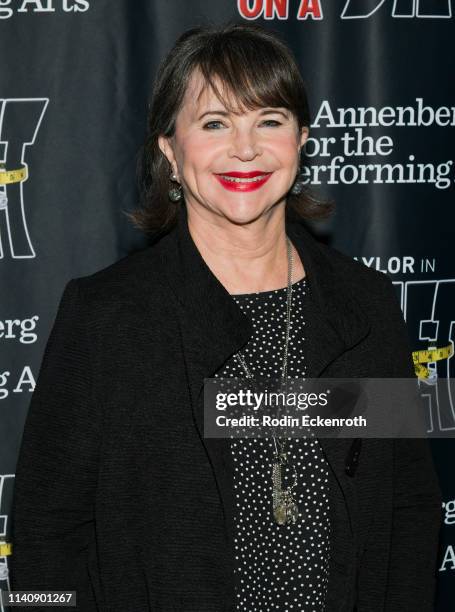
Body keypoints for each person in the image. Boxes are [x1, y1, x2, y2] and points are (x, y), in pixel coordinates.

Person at [11, 21, 442, 612]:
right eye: (215, 123)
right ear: (170, 149)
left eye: (270, 120)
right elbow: (44, 531)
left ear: (301, 140)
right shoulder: (110, 316)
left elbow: (409, 506)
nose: (246, 148)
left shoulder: (364, 304)